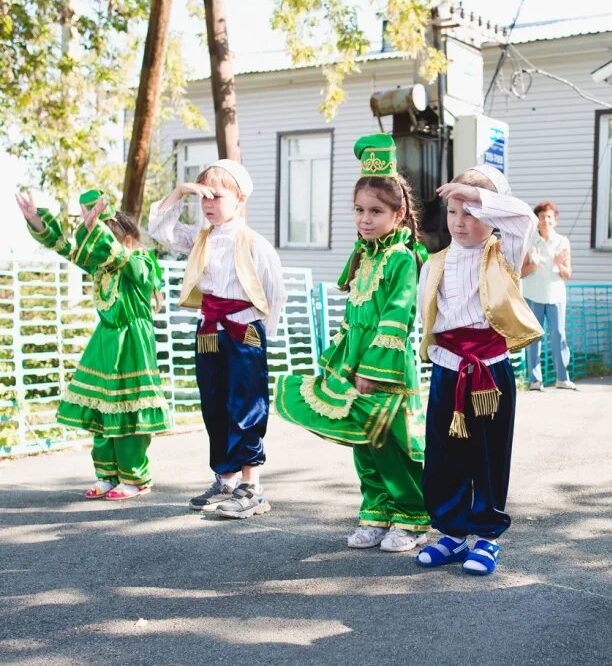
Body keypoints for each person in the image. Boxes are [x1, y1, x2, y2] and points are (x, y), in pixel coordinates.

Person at [275, 134, 431, 552]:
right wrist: (340, 363)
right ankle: (376, 513)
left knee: (392, 441)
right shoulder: (364, 254)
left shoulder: (402, 257)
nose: (365, 218)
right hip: (353, 361)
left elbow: (398, 316)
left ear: (398, 215)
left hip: (387, 365)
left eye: (376, 211)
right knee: (362, 439)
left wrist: (371, 368)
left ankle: (411, 518)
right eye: (359, 210)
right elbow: (352, 319)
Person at [414, 164, 543, 575]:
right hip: (449, 368)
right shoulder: (435, 261)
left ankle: (486, 537)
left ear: (491, 215)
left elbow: (523, 216)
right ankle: (451, 533)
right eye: (453, 211)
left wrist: (477, 195)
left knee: (488, 454)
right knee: (444, 453)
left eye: (471, 212)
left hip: (489, 369)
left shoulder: (504, 253)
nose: (460, 221)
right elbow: (430, 317)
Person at [149, 159, 285, 519]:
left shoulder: (255, 243)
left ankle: (251, 485)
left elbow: (275, 293)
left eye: (216, 196)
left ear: (239, 197)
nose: (208, 204)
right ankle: (224, 478)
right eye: (203, 197)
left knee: (247, 404)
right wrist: (180, 192)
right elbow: (161, 230)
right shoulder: (200, 238)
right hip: (209, 329)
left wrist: (260, 338)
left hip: (245, 329)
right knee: (214, 402)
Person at [17, 190, 169, 500]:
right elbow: (66, 248)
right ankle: (107, 475)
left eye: (102, 237)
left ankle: (135, 478)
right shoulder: (102, 266)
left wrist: (95, 227)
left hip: (132, 344)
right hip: (105, 341)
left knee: (129, 415)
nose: (97, 249)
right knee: (101, 412)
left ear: (120, 236)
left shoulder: (140, 260)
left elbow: (129, 265)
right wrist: (38, 221)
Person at [521, 200, 575, 391]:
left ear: (555, 220)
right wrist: (532, 264)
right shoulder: (529, 241)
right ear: (537, 220)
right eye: (542, 216)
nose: (545, 220)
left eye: (549, 217)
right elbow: (520, 272)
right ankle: (535, 380)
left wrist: (560, 264)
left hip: (556, 296)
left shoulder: (562, 242)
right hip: (533, 295)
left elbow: (568, 274)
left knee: (559, 335)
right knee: (534, 337)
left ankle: (562, 378)